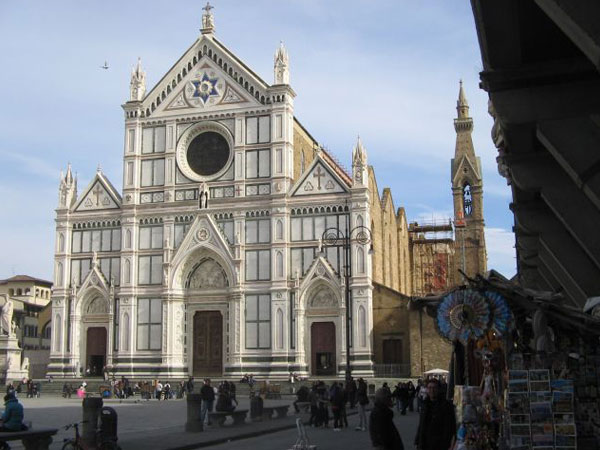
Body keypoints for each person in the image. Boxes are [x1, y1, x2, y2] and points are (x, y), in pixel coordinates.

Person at [414, 379, 456, 450]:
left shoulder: (446, 405)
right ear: (427, 389)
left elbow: (449, 427)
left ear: (439, 389)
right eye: (429, 388)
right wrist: (417, 440)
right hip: (425, 443)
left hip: (439, 444)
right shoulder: (425, 404)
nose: (432, 390)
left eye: (434, 388)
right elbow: (421, 424)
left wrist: (447, 444)